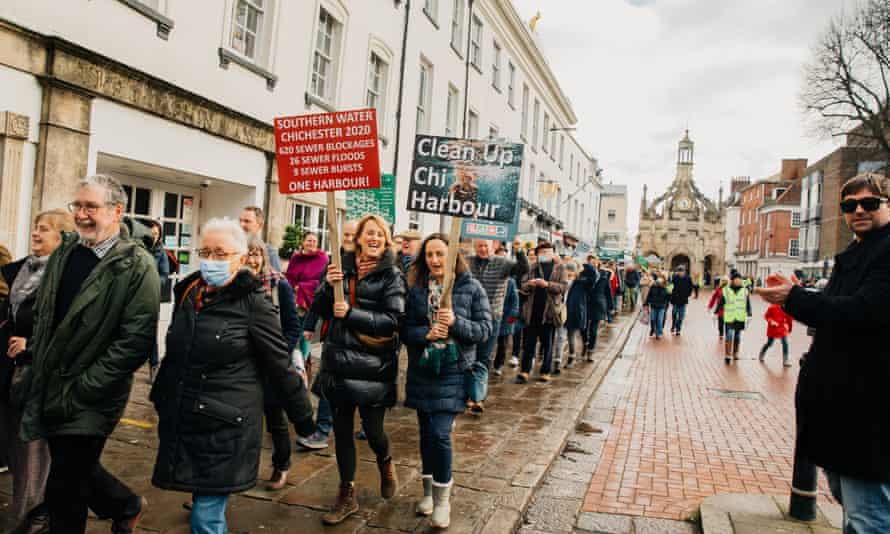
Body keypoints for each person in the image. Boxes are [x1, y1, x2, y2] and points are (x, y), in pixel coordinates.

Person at [151, 219, 314, 534]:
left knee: (205, 518)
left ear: (241, 258)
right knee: (201, 504)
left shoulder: (254, 303)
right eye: (206, 251)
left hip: (226, 426)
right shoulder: (189, 292)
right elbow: (176, 353)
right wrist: (161, 398)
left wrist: (303, 419)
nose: (211, 260)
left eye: (221, 253)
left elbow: (279, 364)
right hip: (187, 419)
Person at [18, 175, 159, 534]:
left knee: (65, 486)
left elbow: (134, 342)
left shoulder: (137, 266)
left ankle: (116, 507)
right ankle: (125, 504)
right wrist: (36, 354)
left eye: (90, 207)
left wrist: (85, 386)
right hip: (51, 385)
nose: (81, 214)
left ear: (116, 212)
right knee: (73, 471)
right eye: (77, 206)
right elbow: (51, 316)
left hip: (93, 394)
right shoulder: (66, 251)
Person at [757, 173, 890, 533]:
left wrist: (794, 299)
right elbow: (836, 309)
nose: (858, 210)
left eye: (870, 203)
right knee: (852, 504)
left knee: (870, 517)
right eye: (849, 205)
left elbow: (862, 312)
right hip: (842, 408)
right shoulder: (857, 253)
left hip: (869, 409)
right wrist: (798, 299)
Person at [307, 215, 406, 526]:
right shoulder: (339, 266)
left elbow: (393, 321)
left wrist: (352, 313)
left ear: (386, 240)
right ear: (359, 238)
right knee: (342, 433)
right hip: (338, 362)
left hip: (373, 366)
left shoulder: (392, 276)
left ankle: (385, 462)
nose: (374, 238)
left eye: (380, 234)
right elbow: (321, 309)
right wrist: (327, 286)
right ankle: (346, 494)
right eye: (369, 233)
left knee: (374, 432)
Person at [403, 233, 493, 529]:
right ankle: (428, 494)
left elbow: (484, 330)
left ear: (453, 254)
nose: (434, 260)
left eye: (440, 253)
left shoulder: (471, 287)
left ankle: (443, 501)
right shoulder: (415, 288)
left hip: (454, 370)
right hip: (423, 369)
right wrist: (424, 334)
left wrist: (456, 323)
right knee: (426, 433)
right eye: (429, 254)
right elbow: (405, 329)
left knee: (441, 434)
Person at [0, 209, 74, 532]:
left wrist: (32, 345)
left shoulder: (66, 278)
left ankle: (28, 520)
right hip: (10, 374)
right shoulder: (17, 271)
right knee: (16, 453)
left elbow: (69, 329)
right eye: (35, 228)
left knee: (33, 454)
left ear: (61, 239)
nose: (35, 234)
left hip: (41, 375)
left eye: (44, 230)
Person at [245, 235, 304, 489]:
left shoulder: (279, 285)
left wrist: (279, 353)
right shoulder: (234, 284)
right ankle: (239, 471)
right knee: (244, 421)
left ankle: (282, 466)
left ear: (264, 258)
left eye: (257, 254)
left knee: (276, 418)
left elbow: (292, 327)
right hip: (244, 363)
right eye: (248, 254)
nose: (252, 259)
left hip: (272, 364)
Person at [298, 221, 359, 451]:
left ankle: (364, 425)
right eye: (345, 234)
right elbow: (319, 297)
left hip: (360, 337)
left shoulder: (367, 265)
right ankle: (322, 430)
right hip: (334, 333)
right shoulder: (332, 264)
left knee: (357, 387)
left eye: (353, 235)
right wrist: (310, 324)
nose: (349, 238)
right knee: (327, 380)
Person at [466, 237, 528, 410]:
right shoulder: (467, 261)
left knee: (484, 358)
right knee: (467, 357)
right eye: (479, 246)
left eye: (485, 245)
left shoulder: (502, 263)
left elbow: (523, 269)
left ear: (493, 246)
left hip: (492, 317)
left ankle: (478, 398)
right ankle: (466, 395)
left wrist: (519, 250)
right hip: (469, 316)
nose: (482, 249)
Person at [517, 242, 567, 383]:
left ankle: (545, 371)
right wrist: (530, 284)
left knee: (548, 344)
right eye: (543, 252)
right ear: (538, 254)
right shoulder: (532, 267)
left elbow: (563, 287)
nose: (545, 254)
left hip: (549, 313)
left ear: (553, 253)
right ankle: (525, 371)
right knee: (529, 344)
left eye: (548, 251)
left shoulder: (560, 268)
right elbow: (523, 285)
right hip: (532, 311)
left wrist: (547, 285)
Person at [285, 231, 329, 376]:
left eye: (314, 241)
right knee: (292, 332)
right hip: (294, 301)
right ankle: (291, 362)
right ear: (303, 242)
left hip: (312, 303)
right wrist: (293, 288)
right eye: (309, 241)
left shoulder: (322, 258)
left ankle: (302, 365)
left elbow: (322, 281)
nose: (311, 244)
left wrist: (303, 287)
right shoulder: (296, 258)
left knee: (305, 334)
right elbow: (289, 277)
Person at [144, 220, 170, 382]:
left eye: (156, 234)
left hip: (151, 296)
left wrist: (152, 281)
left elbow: (164, 274)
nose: (153, 236)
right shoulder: (139, 248)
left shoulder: (162, 253)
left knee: (150, 333)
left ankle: (153, 366)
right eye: (151, 233)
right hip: (134, 295)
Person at [579, 256, 612, 361]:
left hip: (598, 305)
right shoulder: (583, 274)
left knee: (593, 330)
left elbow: (608, 292)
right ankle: (585, 343)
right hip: (585, 303)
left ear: (598, 263)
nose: (593, 264)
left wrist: (611, 306)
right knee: (583, 327)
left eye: (594, 262)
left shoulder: (604, 275)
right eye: (590, 262)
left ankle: (590, 351)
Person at [492, 264, 520, 376]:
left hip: (506, 317)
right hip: (493, 315)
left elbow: (515, 300)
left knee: (503, 343)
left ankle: (498, 365)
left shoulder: (511, 282)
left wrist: (512, 317)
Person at [720, 272, 751, 363]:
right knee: (729, 335)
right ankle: (727, 354)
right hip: (729, 317)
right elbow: (721, 302)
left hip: (740, 316)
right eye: (736, 279)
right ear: (732, 281)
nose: (738, 281)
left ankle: (735, 352)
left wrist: (749, 314)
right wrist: (715, 312)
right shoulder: (726, 290)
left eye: (739, 279)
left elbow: (748, 304)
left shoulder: (745, 290)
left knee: (737, 336)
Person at [561, 261, 588, 369]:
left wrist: (584, 264)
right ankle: (563, 357)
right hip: (562, 311)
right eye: (567, 271)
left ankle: (572, 357)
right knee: (565, 335)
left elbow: (594, 276)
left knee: (574, 334)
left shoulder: (581, 282)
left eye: (570, 271)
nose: (568, 273)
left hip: (575, 311)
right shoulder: (563, 281)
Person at [239, 206, 281, 272]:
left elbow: (276, 279)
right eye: (240, 220)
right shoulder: (232, 248)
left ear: (260, 225)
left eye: (247, 221)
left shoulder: (269, 251)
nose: (241, 224)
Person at [759, 301, 793, 367]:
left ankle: (785, 360)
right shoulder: (772, 307)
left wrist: (790, 329)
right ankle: (762, 353)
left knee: (785, 343)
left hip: (782, 329)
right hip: (772, 329)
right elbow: (766, 316)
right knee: (769, 343)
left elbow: (789, 320)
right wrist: (771, 321)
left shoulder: (787, 309)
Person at [668, 266, 694, 335]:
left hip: (683, 300)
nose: (680, 273)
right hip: (675, 299)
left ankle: (678, 329)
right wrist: (671, 296)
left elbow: (691, 287)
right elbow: (671, 286)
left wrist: (688, 294)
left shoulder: (688, 278)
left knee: (681, 316)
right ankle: (673, 325)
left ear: (684, 271)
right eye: (679, 271)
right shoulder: (675, 278)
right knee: (674, 313)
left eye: (681, 271)